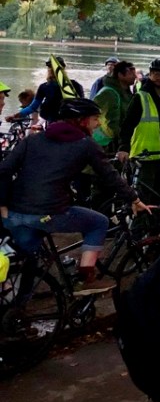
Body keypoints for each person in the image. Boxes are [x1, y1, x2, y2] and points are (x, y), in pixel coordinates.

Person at [0, 99, 150, 293]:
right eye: (95, 119)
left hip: (15, 213)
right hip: (49, 212)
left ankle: (18, 310)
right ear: (81, 121)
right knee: (99, 223)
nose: (98, 124)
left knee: (30, 260)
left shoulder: (33, 139)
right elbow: (110, 177)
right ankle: (86, 280)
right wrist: (134, 199)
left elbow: (3, 171)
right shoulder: (86, 144)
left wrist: (3, 206)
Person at [117, 58, 160, 205]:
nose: (159, 77)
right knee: (142, 197)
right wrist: (123, 148)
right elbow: (127, 125)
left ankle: (154, 227)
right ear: (150, 74)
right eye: (155, 74)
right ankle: (139, 227)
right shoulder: (141, 97)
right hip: (145, 157)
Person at [6, 56, 84, 124]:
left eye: (51, 68)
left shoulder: (45, 87)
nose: (51, 70)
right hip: (68, 125)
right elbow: (83, 106)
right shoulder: (75, 85)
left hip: (54, 124)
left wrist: (15, 116)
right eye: (51, 68)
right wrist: (15, 116)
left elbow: (32, 107)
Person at [93, 60, 137, 151]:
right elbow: (112, 123)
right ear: (120, 75)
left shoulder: (126, 92)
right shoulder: (109, 93)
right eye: (131, 73)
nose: (135, 76)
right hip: (106, 143)